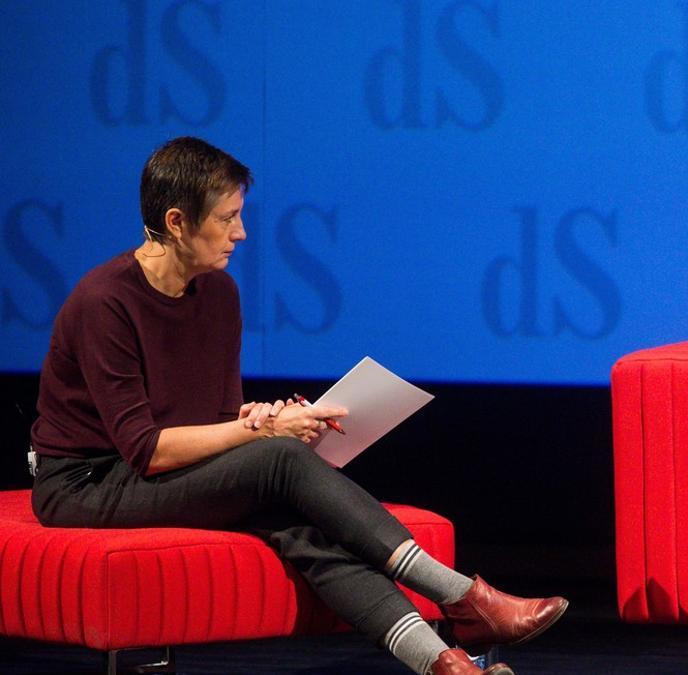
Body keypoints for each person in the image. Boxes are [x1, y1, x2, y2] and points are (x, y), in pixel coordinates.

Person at [29, 136, 566, 675]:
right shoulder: (105, 301)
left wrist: (262, 419)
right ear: (176, 222)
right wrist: (267, 437)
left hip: (155, 467)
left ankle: (444, 664)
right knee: (279, 461)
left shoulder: (219, 294)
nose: (241, 233)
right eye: (227, 218)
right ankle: (464, 596)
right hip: (88, 482)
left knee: (300, 526)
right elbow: (146, 451)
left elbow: (215, 420)